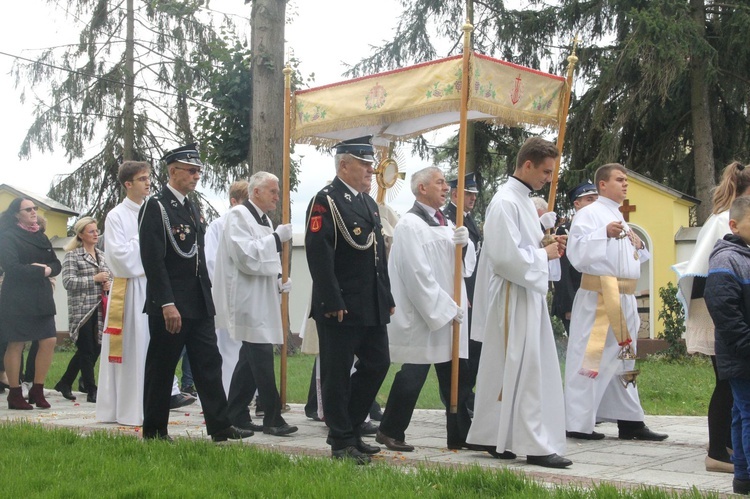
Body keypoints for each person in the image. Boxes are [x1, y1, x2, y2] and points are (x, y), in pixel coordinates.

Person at [466, 137, 571, 469]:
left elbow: (523, 246)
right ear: (527, 165)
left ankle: (499, 438)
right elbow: (505, 258)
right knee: (525, 368)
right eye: (545, 171)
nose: (548, 178)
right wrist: (544, 253)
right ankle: (533, 444)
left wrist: (546, 241)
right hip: (513, 293)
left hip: (525, 292)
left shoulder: (524, 200)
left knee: (510, 366)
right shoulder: (505, 202)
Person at [138, 143, 252, 442]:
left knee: (209, 363)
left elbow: (197, 256)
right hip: (172, 303)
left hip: (199, 301)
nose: (196, 175)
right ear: (173, 171)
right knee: (162, 367)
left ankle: (220, 426)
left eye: (199, 170)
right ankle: (154, 430)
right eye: (191, 170)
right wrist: (166, 302)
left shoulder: (191, 205)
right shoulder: (156, 206)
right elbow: (153, 259)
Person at [304, 135, 394, 464]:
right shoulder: (325, 200)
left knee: (378, 363)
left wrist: (386, 296)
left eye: (371, 164)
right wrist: (331, 300)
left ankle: (352, 426)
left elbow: (376, 256)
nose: (371, 170)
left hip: (370, 302)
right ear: (344, 164)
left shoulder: (368, 203)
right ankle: (341, 440)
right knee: (337, 373)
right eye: (364, 163)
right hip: (340, 304)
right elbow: (319, 255)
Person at [564, 163, 667, 442]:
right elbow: (576, 253)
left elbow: (628, 259)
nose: (625, 184)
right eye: (619, 180)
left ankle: (630, 421)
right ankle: (577, 422)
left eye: (626, 180)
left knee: (624, 359)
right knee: (591, 358)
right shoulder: (589, 214)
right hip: (600, 298)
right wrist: (603, 235)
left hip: (625, 298)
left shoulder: (619, 216)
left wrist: (638, 245)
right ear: (602, 185)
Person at [376, 167, 473, 452]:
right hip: (423, 314)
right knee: (413, 374)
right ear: (422, 189)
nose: (446, 188)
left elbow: (460, 268)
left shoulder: (445, 222)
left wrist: (464, 247)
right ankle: (390, 429)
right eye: (440, 183)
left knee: (457, 376)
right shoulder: (409, 225)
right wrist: (444, 308)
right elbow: (416, 274)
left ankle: (460, 434)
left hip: (449, 311)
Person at [673, 161, 750, 473]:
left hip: (722, 304)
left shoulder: (732, 215)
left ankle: (729, 445)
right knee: (726, 380)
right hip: (716, 307)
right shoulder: (725, 219)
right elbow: (712, 271)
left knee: (732, 381)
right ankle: (718, 452)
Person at [214, 171, 298, 436]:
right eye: (273, 191)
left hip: (262, 294)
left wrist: (278, 280)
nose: (277, 196)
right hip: (246, 296)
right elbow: (245, 255)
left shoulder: (263, 219)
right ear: (256, 192)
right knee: (259, 355)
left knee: (249, 359)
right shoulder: (238, 215)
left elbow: (264, 260)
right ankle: (272, 417)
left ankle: (235, 413)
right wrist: (276, 239)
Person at [705, 196, 750, 495]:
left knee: (741, 412)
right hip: (741, 352)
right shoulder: (726, 259)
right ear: (733, 224)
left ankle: (743, 477)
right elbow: (723, 309)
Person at [0, 197, 61, 410]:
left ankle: (37, 389)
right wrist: (39, 270)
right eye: (28, 209)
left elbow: (56, 264)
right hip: (17, 296)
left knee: (49, 340)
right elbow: (12, 267)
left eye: (35, 208)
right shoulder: (7, 236)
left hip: (41, 295)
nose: (34, 212)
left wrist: (45, 270)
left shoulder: (41, 236)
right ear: (17, 214)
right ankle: (15, 394)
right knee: (16, 343)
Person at [55, 217, 111, 403]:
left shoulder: (102, 255)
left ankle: (65, 382)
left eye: (97, 231)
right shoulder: (73, 255)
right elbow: (68, 282)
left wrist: (107, 284)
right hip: (82, 310)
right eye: (91, 231)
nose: (96, 234)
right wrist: (94, 279)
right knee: (86, 349)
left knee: (95, 348)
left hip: (101, 309)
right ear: (80, 235)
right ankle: (91, 388)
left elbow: (108, 277)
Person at [204, 180, 249, 396]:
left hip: (249, 297)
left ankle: (249, 395)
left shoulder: (254, 224)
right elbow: (212, 263)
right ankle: (228, 393)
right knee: (228, 347)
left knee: (248, 347)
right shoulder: (218, 226)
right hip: (227, 294)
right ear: (234, 202)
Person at [442, 172, 482, 412]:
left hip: (473, 290)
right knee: (460, 352)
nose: (472, 198)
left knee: (473, 350)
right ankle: (458, 399)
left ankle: (467, 396)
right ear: (455, 194)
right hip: (461, 291)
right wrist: (461, 292)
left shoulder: (469, 219)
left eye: (474, 194)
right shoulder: (450, 218)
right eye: (468, 194)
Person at [551, 181, 599, 333]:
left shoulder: (601, 229)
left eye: (597, 199)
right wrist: (569, 306)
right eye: (589, 199)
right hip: (577, 300)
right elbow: (563, 272)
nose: (595, 204)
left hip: (600, 300)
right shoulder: (566, 231)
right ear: (577, 204)